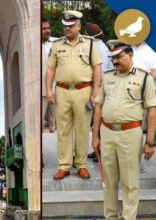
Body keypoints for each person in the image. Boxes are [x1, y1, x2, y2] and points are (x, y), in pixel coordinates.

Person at [92, 39, 156, 219]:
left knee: (130, 182)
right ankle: (110, 217)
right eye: (112, 58)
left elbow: (152, 111)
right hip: (107, 133)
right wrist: (95, 135)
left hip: (131, 133)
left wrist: (150, 142)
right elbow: (99, 105)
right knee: (109, 182)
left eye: (119, 57)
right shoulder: (108, 76)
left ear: (130, 55)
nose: (115, 61)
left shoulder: (144, 77)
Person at [46, 10, 102, 180]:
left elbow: (97, 68)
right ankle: (64, 165)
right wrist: (49, 90)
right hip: (62, 90)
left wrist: (95, 92)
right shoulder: (56, 45)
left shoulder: (90, 44)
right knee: (63, 130)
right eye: (65, 26)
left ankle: (82, 165)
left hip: (83, 91)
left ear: (78, 26)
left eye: (70, 26)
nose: (67, 29)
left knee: (83, 129)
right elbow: (51, 69)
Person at [85, 22, 113, 162]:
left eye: (85, 33)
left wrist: (95, 91)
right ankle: (97, 150)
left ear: (89, 35)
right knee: (97, 120)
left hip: (100, 87)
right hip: (101, 86)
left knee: (100, 120)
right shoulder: (101, 46)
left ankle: (101, 150)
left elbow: (100, 72)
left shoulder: (98, 48)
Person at [42, 16, 57, 133]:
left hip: (55, 88)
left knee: (54, 123)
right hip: (40, 90)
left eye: (48, 28)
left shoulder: (56, 43)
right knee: (39, 122)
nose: (47, 31)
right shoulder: (32, 43)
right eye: (44, 29)